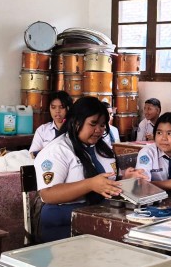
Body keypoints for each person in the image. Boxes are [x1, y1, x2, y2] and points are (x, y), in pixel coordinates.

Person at [34, 97, 145, 242]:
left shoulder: (102, 149)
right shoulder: (57, 150)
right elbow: (48, 194)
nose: (99, 130)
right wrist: (90, 184)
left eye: (102, 125)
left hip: (100, 216)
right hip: (65, 222)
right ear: (76, 122)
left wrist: (125, 178)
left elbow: (105, 182)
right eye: (93, 124)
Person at [29, 92, 72, 157]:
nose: (57, 111)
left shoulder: (75, 129)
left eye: (61, 107)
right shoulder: (42, 130)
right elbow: (33, 154)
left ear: (68, 108)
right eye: (53, 107)